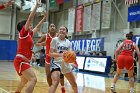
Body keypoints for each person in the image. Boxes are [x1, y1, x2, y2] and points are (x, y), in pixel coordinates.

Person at [13, 0, 47, 92]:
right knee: (33, 79)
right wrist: (36, 5)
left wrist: (44, 18)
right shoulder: (23, 33)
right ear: (24, 26)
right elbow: (30, 18)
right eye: (29, 25)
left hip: (23, 61)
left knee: (24, 81)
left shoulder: (29, 34)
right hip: (21, 61)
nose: (31, 26)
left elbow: (37, 27)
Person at [36, 24, 66, 93]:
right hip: (48, 58)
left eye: (54, 26)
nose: (52, 27)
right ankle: (51, 88)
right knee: (48, 75)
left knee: (61, 74)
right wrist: (43, 43)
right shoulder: (45, 36)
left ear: (55, 28)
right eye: (51, 26)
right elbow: (37, 43)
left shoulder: (59, 35)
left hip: (57, 58)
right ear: (49, 28)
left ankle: (62, 86)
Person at [48, 26, 78, 93]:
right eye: (60, 29)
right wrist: (61, 55)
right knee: (55, 82)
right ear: (58, 32)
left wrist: (72, 62)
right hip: (56, 62)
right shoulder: (55, 40)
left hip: (65, 63)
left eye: (63, 29)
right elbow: (50, 53)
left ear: (66, 33)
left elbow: (70, 55)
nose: (61, 30)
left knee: (74, 84)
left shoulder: (68, 42)